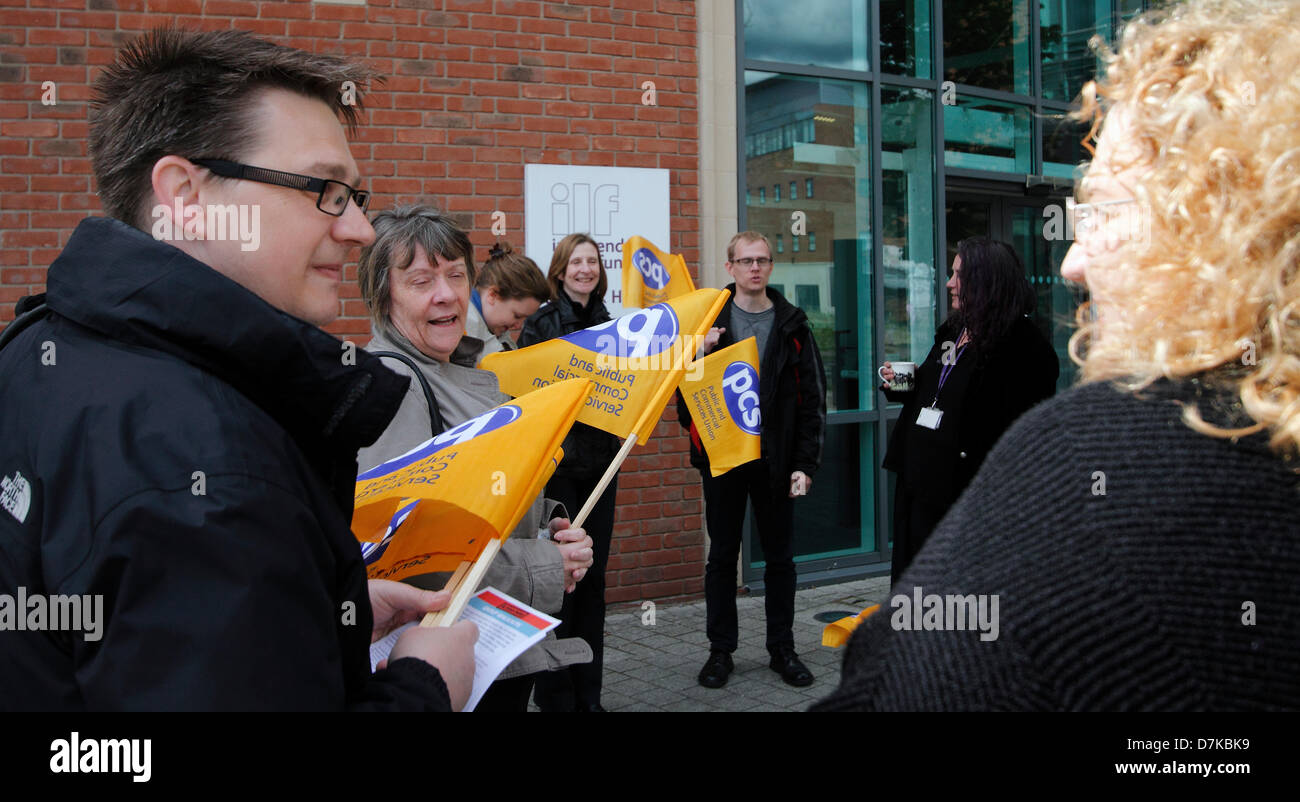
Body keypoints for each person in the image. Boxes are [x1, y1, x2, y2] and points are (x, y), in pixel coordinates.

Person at [815, 0, 1300, 711]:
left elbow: (900, 686)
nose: (1073, 263)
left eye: (1102, 211)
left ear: (1204, 224)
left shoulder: (1100, 449)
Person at [0, 29, 477, 710]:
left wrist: (309, 609)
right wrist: (425, 687)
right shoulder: (211, 470)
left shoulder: (39, 348)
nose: (359, 230)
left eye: (354, 195)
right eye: (325, 190)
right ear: (185, 195)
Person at [354, 207, 595, 712]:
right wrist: (547, 564)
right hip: (448, 659)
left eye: (456, 275)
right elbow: (413, 555)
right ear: (384, 295)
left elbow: (482, 500)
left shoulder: (454, 369)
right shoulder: (396, 388)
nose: (446, 294)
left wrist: (551, 524)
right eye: (421, 280)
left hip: (486, 646)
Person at [676, 231, 827, 689]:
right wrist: (697, 358)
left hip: (776, 461)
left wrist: (805, 464)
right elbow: (683, 405)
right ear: (731, 268)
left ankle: (782, 648)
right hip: (723, 459)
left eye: (762, 260)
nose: (754, 268)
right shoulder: (707, 323)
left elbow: (812, 401)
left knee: (780, 559)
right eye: (745, 261)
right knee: (722, 557)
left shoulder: (793, 325)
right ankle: (720, 652)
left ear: (771, 267)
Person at [878, 238, 1059, 582]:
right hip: (919, 489)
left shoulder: (1025, 349)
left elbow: (1017, 437)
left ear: (988, 280)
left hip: (967, 506)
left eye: (959, 275)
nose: (949, 283)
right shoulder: (955, 330)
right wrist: (908, 383)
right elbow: (944, 388)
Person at [520, 233, 621, 712]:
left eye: (593, 261)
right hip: (557, 474)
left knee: (594, 582)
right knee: (559, 584)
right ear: (560, 270)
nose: (586, 269)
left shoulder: (610, 324)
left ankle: (591, 695)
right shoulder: (541, 325)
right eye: (577, 262)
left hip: (601, 472)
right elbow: (524, 396)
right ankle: (555, 696)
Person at [467, 241, 551, 357]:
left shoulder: (490, 330)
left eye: (524, 318)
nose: (518, 325)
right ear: (493, 295)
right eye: (517, 315)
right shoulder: (460, 333)